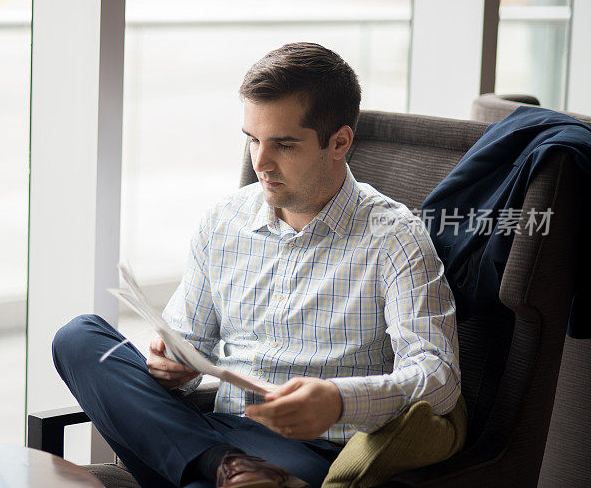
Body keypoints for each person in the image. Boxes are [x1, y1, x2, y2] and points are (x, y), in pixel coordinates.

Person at [52, 42, 461, 488]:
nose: (261, 163)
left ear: (339, 142)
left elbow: (438, 377)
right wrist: (172, 367)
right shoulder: (224, 221)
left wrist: (340, 401)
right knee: (79, 338)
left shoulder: (395, 237)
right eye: (252, 140)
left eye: (283, 144)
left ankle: (213, 468)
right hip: (212, 428)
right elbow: (187, 345)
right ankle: (221, 465)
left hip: (306, 448)